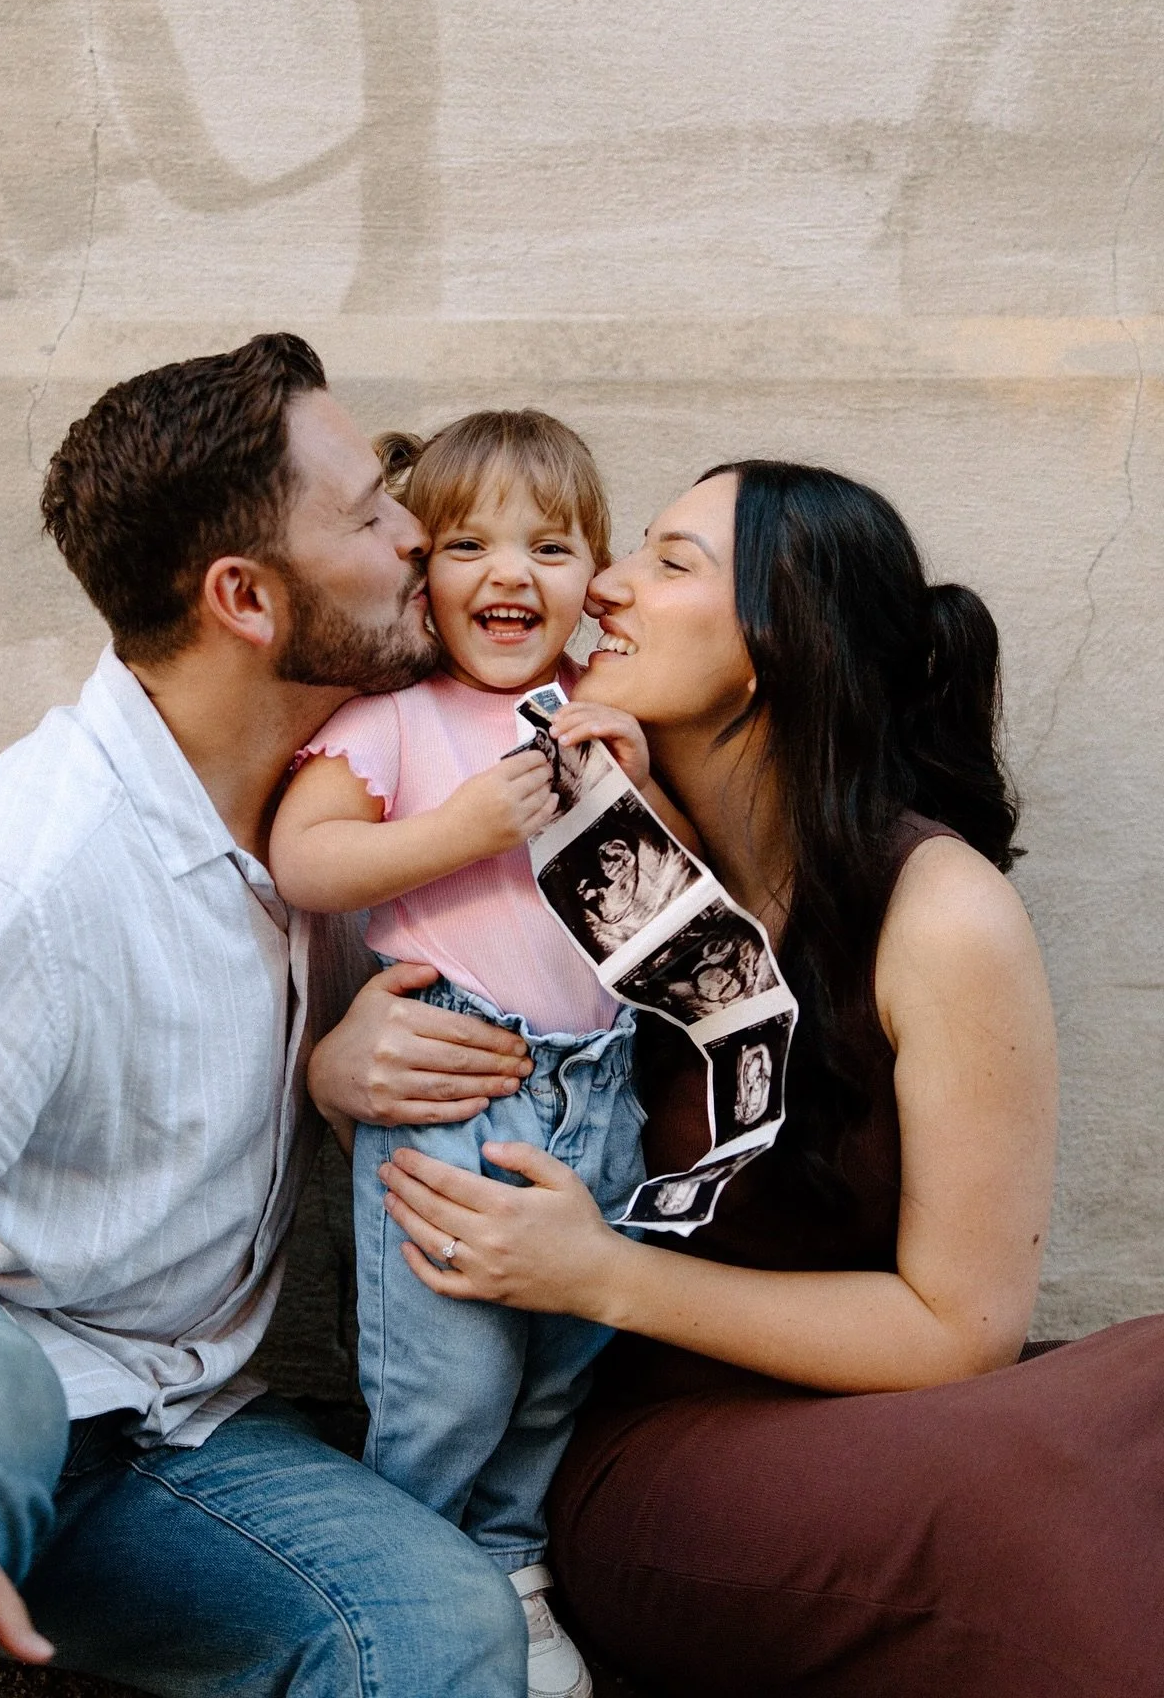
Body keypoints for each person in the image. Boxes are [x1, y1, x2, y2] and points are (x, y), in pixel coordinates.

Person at [0, 335, 537, 1698]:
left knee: (436, 1628)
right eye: (371, 512)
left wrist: (332, 1075)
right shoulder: (22, 876)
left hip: (166, 1423)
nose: (420, 533)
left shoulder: (353, 806)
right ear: (246, 598)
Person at [354, 460, 1164, 1696]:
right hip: (656, 1449)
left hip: (893, 1414)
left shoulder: (934, 912)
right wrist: (338, 1061)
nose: (608, 588)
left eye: (668, 564)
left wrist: (601, 1270)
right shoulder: (575, 844)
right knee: (1031, 1520)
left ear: (777, 647)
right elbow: (354, 927)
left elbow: (965, 1331)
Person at [270, 412, 691, 1698]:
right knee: (443, 1375)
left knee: (558, 1363)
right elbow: (309, 859)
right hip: (454, 1074)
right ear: (421, 573)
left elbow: (679, 906)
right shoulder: (398, 718)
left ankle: (506, 1561)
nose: (513, 573)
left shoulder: (603, 715)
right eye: (470, 545)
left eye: (552, 546)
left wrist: (648, 796)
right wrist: (460, 827)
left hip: (599, 1081)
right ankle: (405, 1576)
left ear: (592, 575)